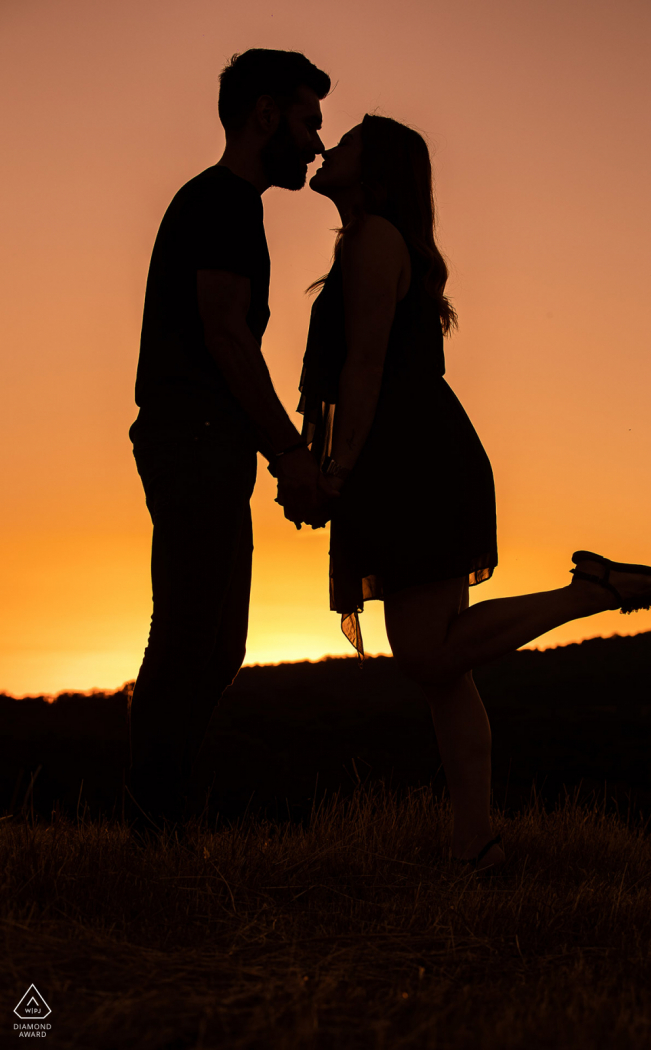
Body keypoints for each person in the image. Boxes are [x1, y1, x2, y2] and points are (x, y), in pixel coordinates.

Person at [282, 114, 651, 872]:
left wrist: (334, 472)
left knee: (429, 655)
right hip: (410, 452)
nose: (330, 145)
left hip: (408, 458)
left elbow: (363, 369)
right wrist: (320, 462)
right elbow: (345, 380)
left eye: (351, 142)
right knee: (446, 669)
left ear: (379, 172)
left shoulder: (375, 241)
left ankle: (586, 593)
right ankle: (477, 844)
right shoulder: (370, 243)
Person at [127, 49, 331, 825]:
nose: (317, 143)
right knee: (188, 638)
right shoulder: (222, 205)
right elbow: (226, 337)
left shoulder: (229, 206)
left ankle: (163, 819)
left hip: (208, 440)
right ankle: (155, 831)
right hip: (194, 436)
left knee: (216, 646)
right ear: (266, 115)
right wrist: (287, 449)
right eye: (309, 121)